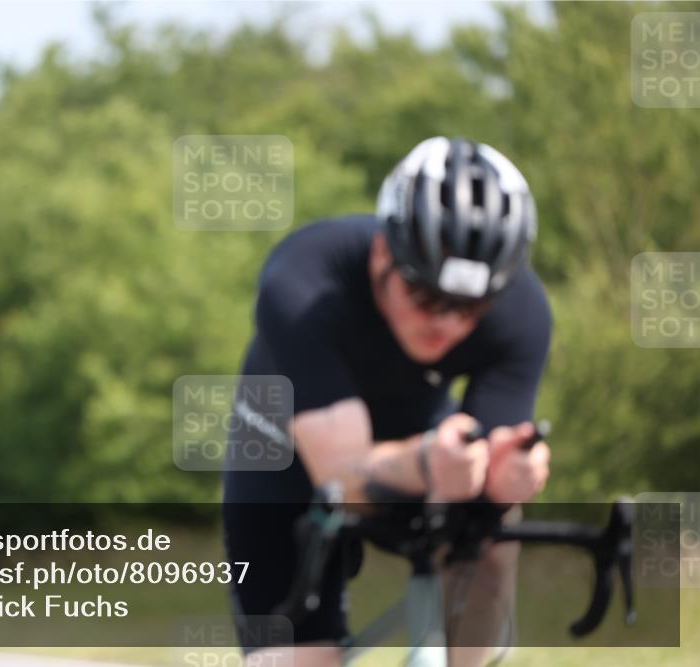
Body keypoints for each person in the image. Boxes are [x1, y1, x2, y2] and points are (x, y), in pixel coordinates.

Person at [222, 137, 553, 667]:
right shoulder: (303, 281)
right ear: (383, 254)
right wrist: (427, 461)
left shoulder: (521, 313)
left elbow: (491, 467)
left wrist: (507, 474)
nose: (446, 323)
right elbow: (344, 482)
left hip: (419, 436)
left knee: (491, 528)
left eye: (470, 309)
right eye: (426, 298)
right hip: (285, 451)